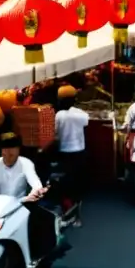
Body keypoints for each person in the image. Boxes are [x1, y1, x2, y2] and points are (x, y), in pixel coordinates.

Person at [0, 133, 55, 258]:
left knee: (35, 227)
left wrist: (35, 193)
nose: (7, 156)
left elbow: (36, 184)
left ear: (18, 150)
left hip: (19, 206)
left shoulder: (26, 164)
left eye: (11, 152)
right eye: (5, 151)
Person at [54, 95, 89, 224]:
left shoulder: (59, 115)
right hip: (79, 149)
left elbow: (55, 131)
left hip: (65, 150)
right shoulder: (80, 114)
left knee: (68, 177)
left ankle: (69, 203)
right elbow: (87, 122)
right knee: (78, 175)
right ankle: (77, 200)